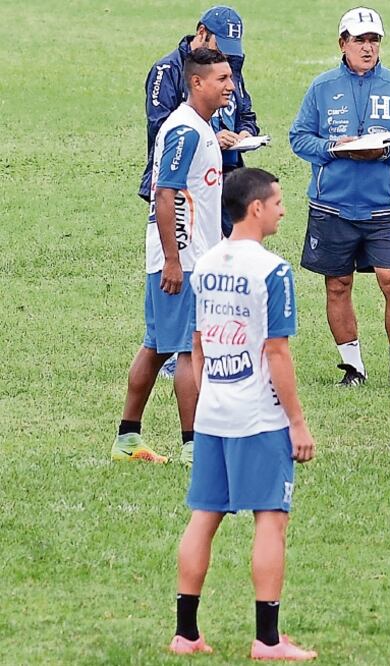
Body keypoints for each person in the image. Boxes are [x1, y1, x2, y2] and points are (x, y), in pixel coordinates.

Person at [169, 167, 317, 660]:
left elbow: (196, 343)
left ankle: (185, 632)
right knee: (270, 519)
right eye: (277, 202)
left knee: (203, 517)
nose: (282, 209)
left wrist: (207, 399)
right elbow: (277, 351)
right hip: (259, 416)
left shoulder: (206, 263)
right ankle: (268, 639)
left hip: (213, 412)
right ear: (256, 208)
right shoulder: (273, 272)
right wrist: (296, 421)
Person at [290, 6, 390, 388]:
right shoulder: (321, 87)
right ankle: (353, 368)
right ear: (343, 43)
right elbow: (298, 138)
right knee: (338, 284)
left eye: (374, 40)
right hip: (331, 206)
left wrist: (383, 152)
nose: (368, 48)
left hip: (382, 208)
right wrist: (336, 147)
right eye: (359, 40)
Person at [111, 48, 233, 464]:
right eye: (221, 79)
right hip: (185, 259)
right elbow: (165, 193)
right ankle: (193, 446)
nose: (230, 86)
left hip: (186, 256)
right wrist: (174, 260)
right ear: (196, 82)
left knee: (157, 345)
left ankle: (127, 438)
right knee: (189, 348)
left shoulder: (198, 127)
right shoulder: (187, 130)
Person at [139, 5, 260, 239]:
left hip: (227, 176)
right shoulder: (167, 70)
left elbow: (246, 114)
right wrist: (211, 138)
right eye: (219, 46)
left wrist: (245, 133)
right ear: (202, 33)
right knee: (189, 249)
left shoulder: (229, 66)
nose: (224, 56)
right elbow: (160, 125)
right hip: (184, 177)